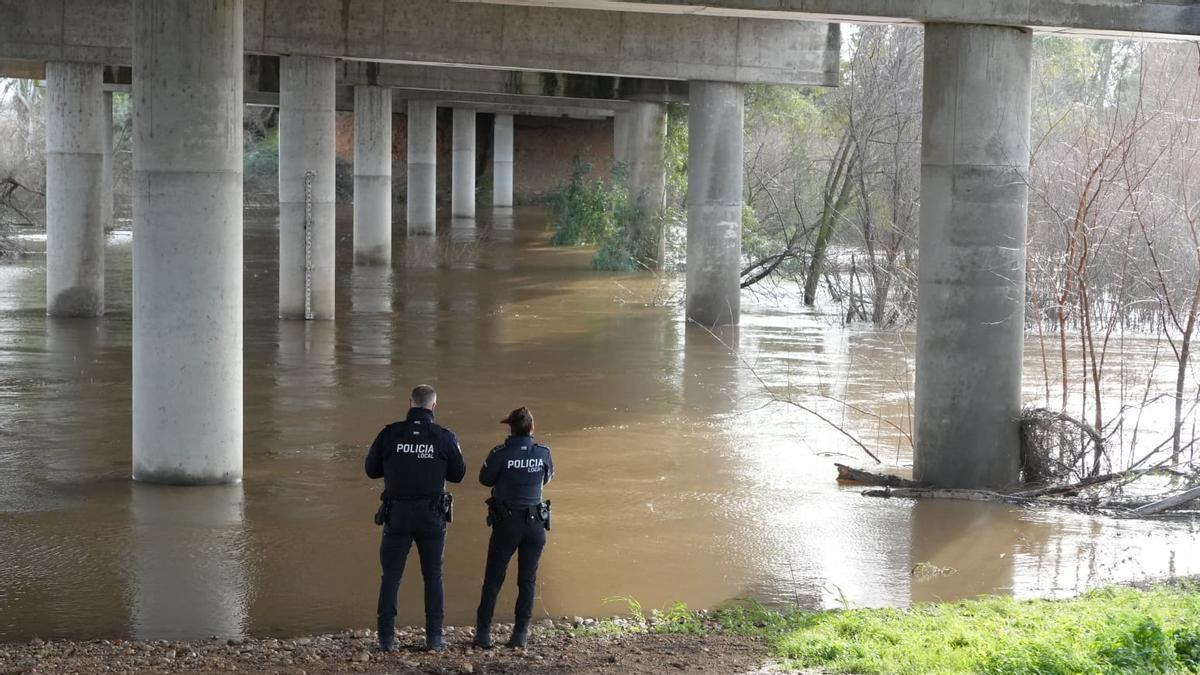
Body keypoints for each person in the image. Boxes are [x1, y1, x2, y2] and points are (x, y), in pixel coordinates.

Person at [365, 384, 466, 652]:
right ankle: (434, 638)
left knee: (391, 577)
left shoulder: (389, 434)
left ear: (410, 403)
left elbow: (370, 470)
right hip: (432, 515)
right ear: (434, 406)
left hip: (397, 514)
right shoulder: (444, 436)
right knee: (433, 576)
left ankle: (386, 638)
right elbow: (458, 474)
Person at [472, 406, 554, 649]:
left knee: (493, 579)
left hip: (507, 524)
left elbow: (484, 479)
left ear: (510, 428)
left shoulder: (500, 454)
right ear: (532, 427)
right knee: (527, 581)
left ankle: (483, 634)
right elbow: (547, 478)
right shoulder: (543, 453)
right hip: (535, 525)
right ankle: (520, 635)